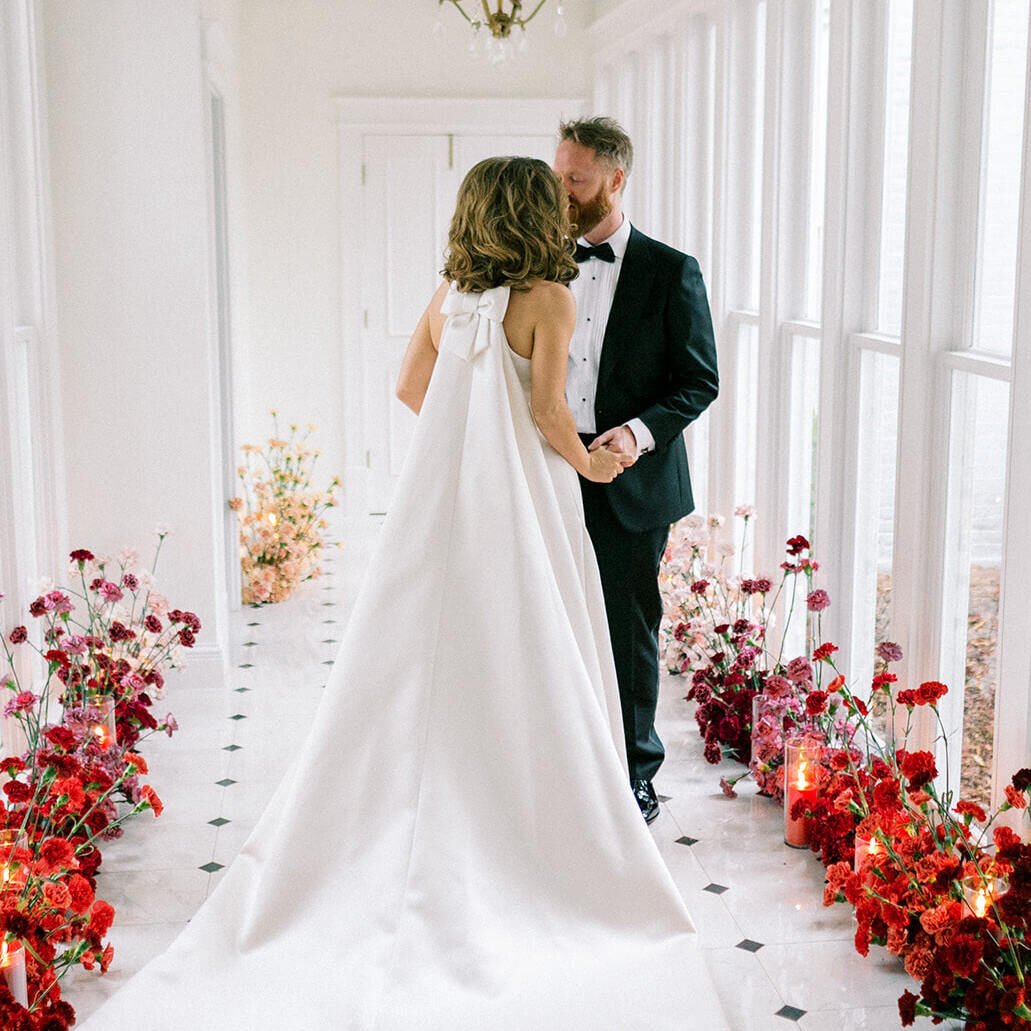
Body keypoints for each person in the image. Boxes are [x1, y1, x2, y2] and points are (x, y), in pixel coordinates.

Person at [79, 157, 727, 1029]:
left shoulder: (450, 294)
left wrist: (472, 439)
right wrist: (591, 459)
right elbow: (546, 414)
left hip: (444, 507)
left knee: (423, 652)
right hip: (525, 501)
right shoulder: (549, 297)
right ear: (536, 211)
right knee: (532, 643)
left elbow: (410, 386)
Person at [554, 118, 719, 824]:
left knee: (628, 629)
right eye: (558, 175)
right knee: (549, 618)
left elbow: (697, 380)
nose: (562, 190)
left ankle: (633, 772)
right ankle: (561, 759)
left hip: (631, 478)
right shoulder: (538, 261)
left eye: (577, 179)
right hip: (552, 468)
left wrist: (638, 432)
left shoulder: (670, 269)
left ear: (616, 180)